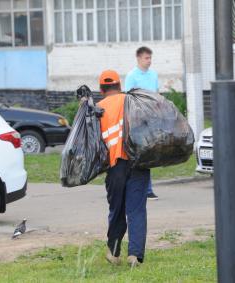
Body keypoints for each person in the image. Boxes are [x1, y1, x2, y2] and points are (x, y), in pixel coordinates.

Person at [97, 69, 149, 267]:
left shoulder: (98, 108)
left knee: (116, 209)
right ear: (120, 86)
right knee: (136, 209)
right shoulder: (132, 101)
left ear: (102, 89)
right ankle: (134, 255)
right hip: (138, 162)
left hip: (114, 165)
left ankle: (114, 252)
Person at [124, 46, 159, 200]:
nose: (149, 61)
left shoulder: (153, 75)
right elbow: (129, 98)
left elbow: (156, 95)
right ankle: (139, 188)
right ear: (138, 59)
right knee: (138, 153)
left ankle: (147, 189)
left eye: (150, 58)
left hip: (151, 118)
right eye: (146, 58)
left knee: (148, 153)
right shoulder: (132, 76)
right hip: (138, 120)